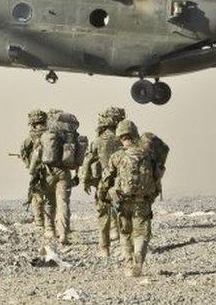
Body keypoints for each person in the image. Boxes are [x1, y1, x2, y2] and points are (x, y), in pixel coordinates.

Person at [99, 119, 167, 277]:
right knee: (141, 232)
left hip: (124, 201)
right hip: (143, 200)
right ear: (135, 134)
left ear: (120, 137)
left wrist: (102, 194)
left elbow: (106, 178)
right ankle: (139, 259)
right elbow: (158, 175)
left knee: (125, 232)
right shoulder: (148, 154)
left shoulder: (117, 156)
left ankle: (129, 265)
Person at [80, 106, 125, 257]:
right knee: (123, 213)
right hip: (122, 182)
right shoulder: (125, 140)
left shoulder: (98, 141)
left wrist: (85, 181)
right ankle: (125, 247)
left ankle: (104, 249)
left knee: (103, 215)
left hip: (103, 183)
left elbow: (87, 161)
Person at [36, 111, 81, 245]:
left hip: (48, 172)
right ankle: (63, 234)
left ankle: (49, 229)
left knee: (49, 201)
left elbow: (37, 155)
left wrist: (34, 174)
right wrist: (77, 175)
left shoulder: (46, 135)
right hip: (64, 173)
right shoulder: (71, 136)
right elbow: (78, 160)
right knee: (63, 203)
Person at [18, 109, 48, 226]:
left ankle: (39, 220)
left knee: (35, 193)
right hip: (54, 169)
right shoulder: (52, 135)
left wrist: (28, 164)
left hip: (38, 169)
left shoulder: (31, 136)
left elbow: (22, 151)